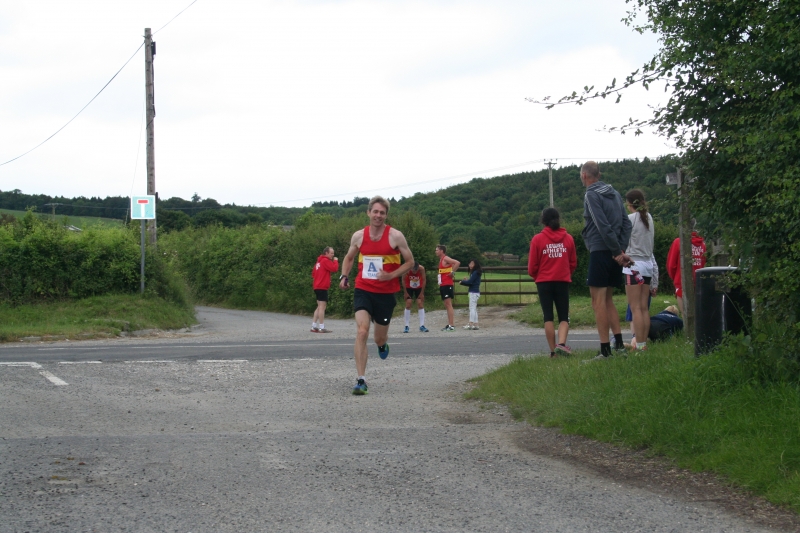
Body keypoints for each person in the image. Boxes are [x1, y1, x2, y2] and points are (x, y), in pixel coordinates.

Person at [339, 196, 415, 395]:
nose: (378, 215)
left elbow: (410, 262)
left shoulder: (395, 236)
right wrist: (344, 276)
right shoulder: (359, 236)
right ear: (368, 213)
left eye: (382, 212)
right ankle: (361, 380)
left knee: (378, 338)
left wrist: (391, 275)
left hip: (386, 293)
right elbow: (349, 258)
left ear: (386, 215)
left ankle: (382, 344)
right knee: (362, 331)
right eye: (375, 211)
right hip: (363, 289)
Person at [578, 161, 633, 361]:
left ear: (584, 175)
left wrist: (616, 251)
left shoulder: (591, 194)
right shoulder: (615, 194)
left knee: (598, 301)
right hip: (614, 251)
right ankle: (619, 345)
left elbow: (601, 224)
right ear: (598, 174)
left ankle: (605, 351)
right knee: (608, 299)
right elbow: (626, 224)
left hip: (601, 250)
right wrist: (620, 250)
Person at [528, 207, 578, 357]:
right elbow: (573, 263)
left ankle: (553, 352)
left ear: (543, 221)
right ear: (558, 219)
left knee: (548, 317)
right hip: (562, 281)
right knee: (564, 317)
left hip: (543, 282)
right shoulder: (568, 238)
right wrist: (566, 273)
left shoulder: (537, 239)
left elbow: (532, 267)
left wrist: (537, 277)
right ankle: (561, 345)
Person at [622, 189, 659, 351]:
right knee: (644, 308)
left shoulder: (630, 219)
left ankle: (639, 344)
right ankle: (643, 344)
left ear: (629, 203)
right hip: (648, 266)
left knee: (635, 307)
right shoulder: (649, 218)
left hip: (633, 266)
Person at [666, 227, 706, 317]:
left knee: (686, 316)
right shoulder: (702, 244)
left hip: (681, 283)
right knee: (697, 314)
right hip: (698, 282)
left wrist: (675, 278)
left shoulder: (678, 242)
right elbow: (703, 263)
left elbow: (671, 265)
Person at [311, 246, 339, 333]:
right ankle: (321, 327)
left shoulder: (318, 262)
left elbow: (313, 274)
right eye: (331, 253)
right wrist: (335, 261)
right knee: (322, 307)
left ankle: (314, 326)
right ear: (326, 253)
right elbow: (334, 268)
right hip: (322, 286)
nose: (333, 255)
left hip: (317, 286)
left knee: (319, 306)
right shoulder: (325, 261)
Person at [435, 245, 460, 331]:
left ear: (441, 251)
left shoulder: (445, 258)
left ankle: (451, 325)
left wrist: (452, 272)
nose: (436, 252)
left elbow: (457, 263)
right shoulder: (441, 260)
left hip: (447, 284)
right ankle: (450, 324)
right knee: (446, 304)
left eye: (437, 250)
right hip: (443, 284)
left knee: (448, 304)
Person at [402, 261, 429, 333]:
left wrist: (422, 293)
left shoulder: (421, 268)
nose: (414, 272)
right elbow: (403, 280)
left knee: (420, 304)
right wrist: (405, 292)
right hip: (409, 286)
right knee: (408, 304)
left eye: (416, 271)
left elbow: (424, 280)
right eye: (413, 271)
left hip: (419, 287)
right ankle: (406, 326)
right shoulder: (406, 268)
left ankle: (422, 325)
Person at [459, 259, 483, 330]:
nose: (470, 265)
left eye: (472, 264)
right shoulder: (476, 272)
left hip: (473, 292)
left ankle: (470, 324)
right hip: (475, 292)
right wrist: (465, 282)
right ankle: (476, 324)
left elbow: (470, 282)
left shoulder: (475, 272)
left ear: (476, 264)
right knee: (474, 308)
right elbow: (471, 283)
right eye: (470, 263)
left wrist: (462, 282)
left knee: (472, 308)